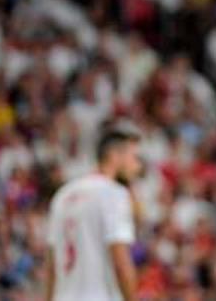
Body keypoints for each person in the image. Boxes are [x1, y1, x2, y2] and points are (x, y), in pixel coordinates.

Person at [45, 123, 143, 301]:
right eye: (134, 157)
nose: (137, 166)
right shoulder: (114, 193)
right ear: (114, 156)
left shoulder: (63, 195)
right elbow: (121, 263)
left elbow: (52, 266)